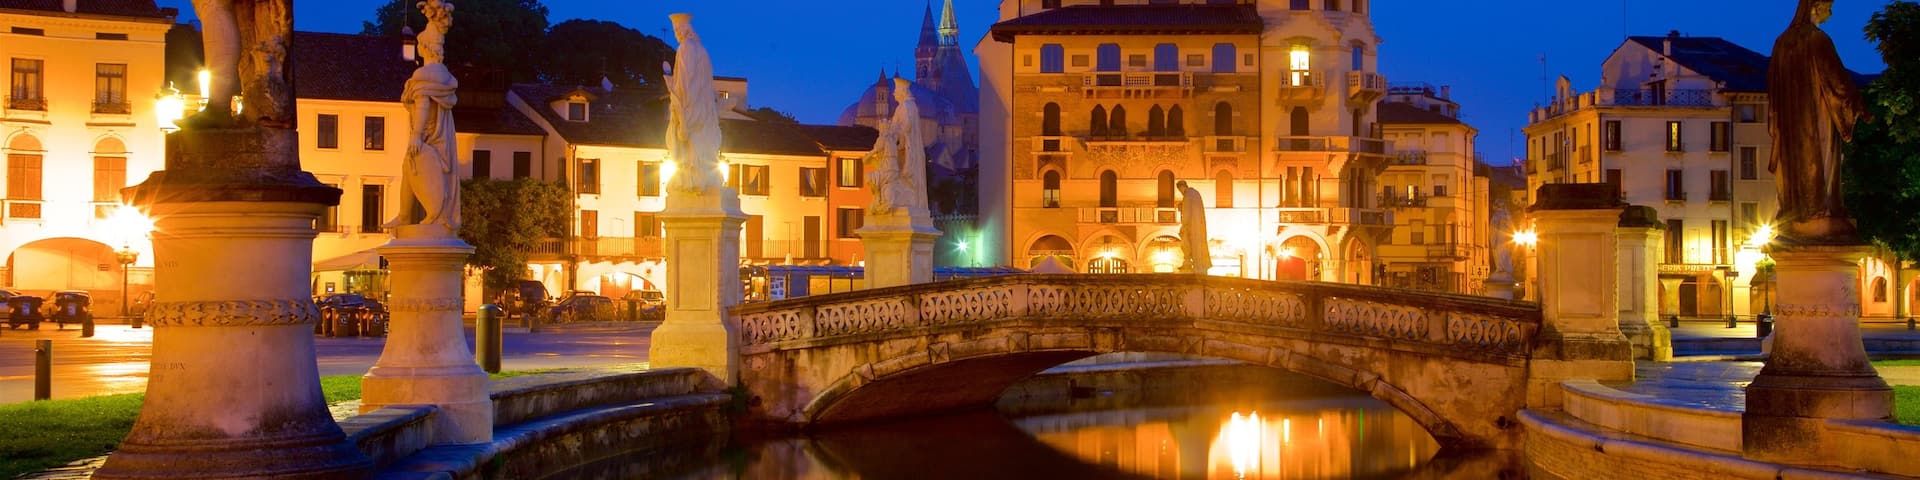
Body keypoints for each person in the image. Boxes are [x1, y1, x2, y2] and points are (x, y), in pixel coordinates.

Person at [1768, 0, 1866, 241]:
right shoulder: (1818, 40)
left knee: (1795, 163)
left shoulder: (1781, 44)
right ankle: (1820, 209)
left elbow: (1773, 89)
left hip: (1789, 124)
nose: (1830, 13)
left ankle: (1796, 211)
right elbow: (1838, 83)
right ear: (1816, 6)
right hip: (1816, 116)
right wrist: (1858, 103)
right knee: (1820, 161)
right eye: (1829, 6)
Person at [387, 0, 460, 233]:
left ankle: (430, 214)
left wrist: (416, 135)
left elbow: (423, 105)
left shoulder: (424, 75)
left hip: (427, 136)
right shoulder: (445, 76)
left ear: (424, 47)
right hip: (440, 139)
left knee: (413, 166)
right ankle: (407, 215)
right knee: (409, 167)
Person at [663, 14, 724, 194]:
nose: (676, 34)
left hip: (690, 104)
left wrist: (675, 95)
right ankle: (700, 178)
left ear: (685, 29)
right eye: (674, 30)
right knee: (699, 141)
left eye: (677, 29)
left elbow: (686, 79)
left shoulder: (685, 48)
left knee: (683, 140)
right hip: (704, 108)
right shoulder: (701, 50)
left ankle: (690, 181)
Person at [1177, 180, 1211, 273]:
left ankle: (1191, 263)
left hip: (1192, 226)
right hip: (1198, 225)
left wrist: (1184, 226)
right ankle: (1198, 265)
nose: (1181, 192)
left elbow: (1187, 213)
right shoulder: (1195, 193)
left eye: (1180, 190)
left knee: (1186, 244)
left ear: (1182, 187)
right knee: (1196, 245)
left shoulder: (1187, 195)